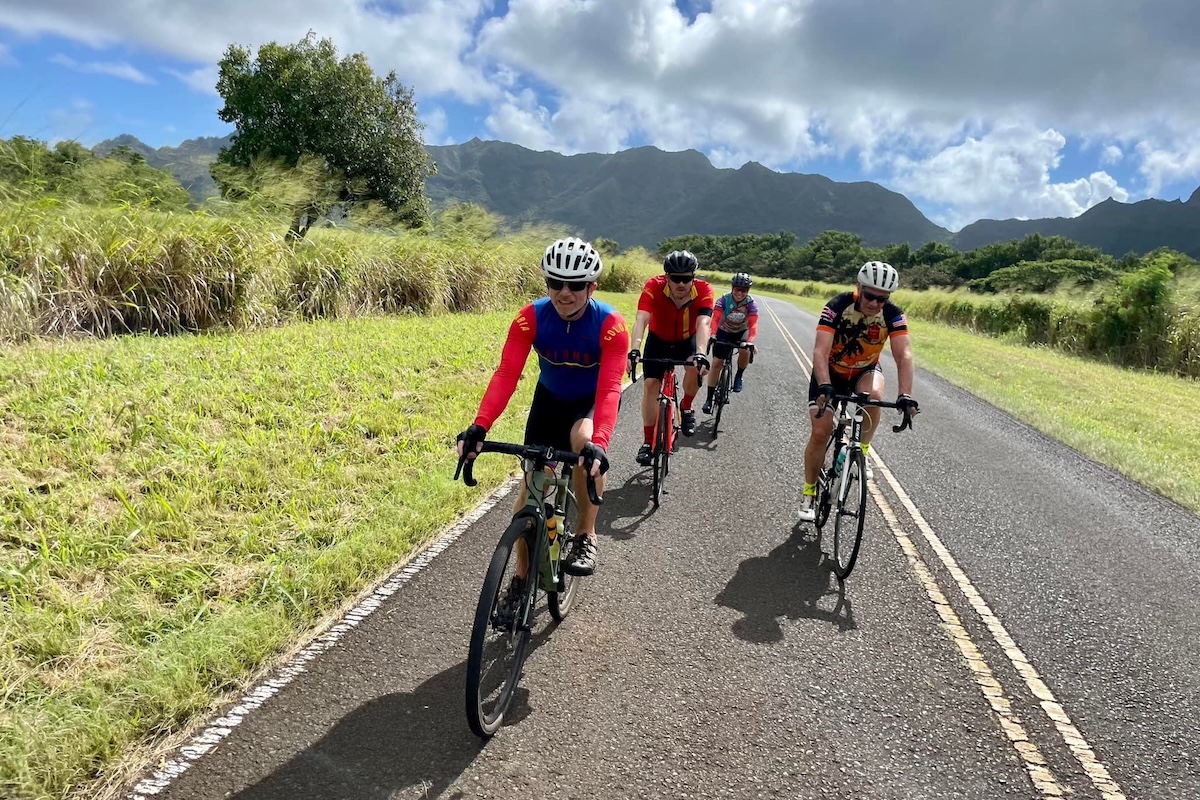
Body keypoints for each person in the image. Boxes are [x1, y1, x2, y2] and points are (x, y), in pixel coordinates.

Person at [456, 237, 630, 576]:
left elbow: (610, 388)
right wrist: (480, 425)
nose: (565, 292)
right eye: (555, 282)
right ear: (546, 281)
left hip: (589, 403)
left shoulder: (610, 326)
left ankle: (586, 534)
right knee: (532, 489)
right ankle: (520, 580)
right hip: (549, 400)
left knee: (583, 442)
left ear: (592, 287)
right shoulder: (530, 318)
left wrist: (601, 444)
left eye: (576, 284)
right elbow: (507, 374)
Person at [797, 261, 920, 522]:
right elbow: (820, 350)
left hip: (865, 371)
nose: (875, 304)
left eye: (882, 299)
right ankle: (809, 492)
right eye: (870, 296)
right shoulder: (837, 306)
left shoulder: (893, 315)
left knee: (874, 398)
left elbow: (904, 354)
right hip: (830, 372)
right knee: (821, 432)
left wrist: (905, 394)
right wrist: (825, 384)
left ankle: (861, 451)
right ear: (858, 288)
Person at [627, 250, 714, 465]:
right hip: (658, 340)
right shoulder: (653, 287)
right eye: (676, 279)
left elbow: (703, 323)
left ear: (694, 277)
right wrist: (634, 349)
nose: (681, 284)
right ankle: (648, 442)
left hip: (687, 340)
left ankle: (686, 407)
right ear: (666, 277)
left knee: (694, 366)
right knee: (650, 385)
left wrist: (701, 353)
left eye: (686, 278)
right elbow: (641, 319)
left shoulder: (704, 290)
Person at [703, 272, 759, 414]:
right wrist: (713, 335)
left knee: (745, 349)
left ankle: (739, 376)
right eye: (737, 289)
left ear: (748, 291)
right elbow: (715, 319)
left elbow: (753, 325)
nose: (740, 293)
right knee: (716, 363)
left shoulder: (751, 304)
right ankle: (709, 399)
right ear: (732, 288)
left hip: (741, 332)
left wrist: (750, 341)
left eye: (744, 290)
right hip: (723, 331)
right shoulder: (723, 300)